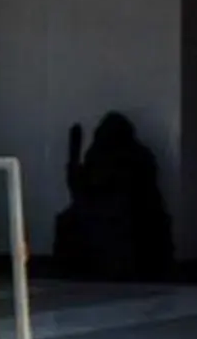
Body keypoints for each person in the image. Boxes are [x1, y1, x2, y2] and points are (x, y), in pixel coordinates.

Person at [53, 111, 174, 280]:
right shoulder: (96, 154)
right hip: (100, 209)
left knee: (113, 220)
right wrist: (73, 158)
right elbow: (80, 189)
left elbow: (135, 190)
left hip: (133, 211)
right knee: (72, 220)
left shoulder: (137, 156)